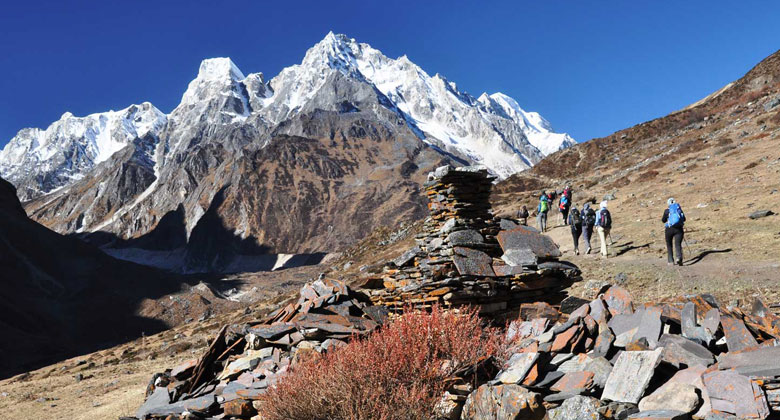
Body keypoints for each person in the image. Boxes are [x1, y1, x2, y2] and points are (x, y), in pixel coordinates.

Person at [662, 197, 686, 266]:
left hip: (669, 229)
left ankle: (670, 261)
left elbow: (663, 220)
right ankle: (679, 258)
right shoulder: (679, 210)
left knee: (669, 245)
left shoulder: (667, 211)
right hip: (679, 229)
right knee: (678, 244)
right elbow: (684, 219)